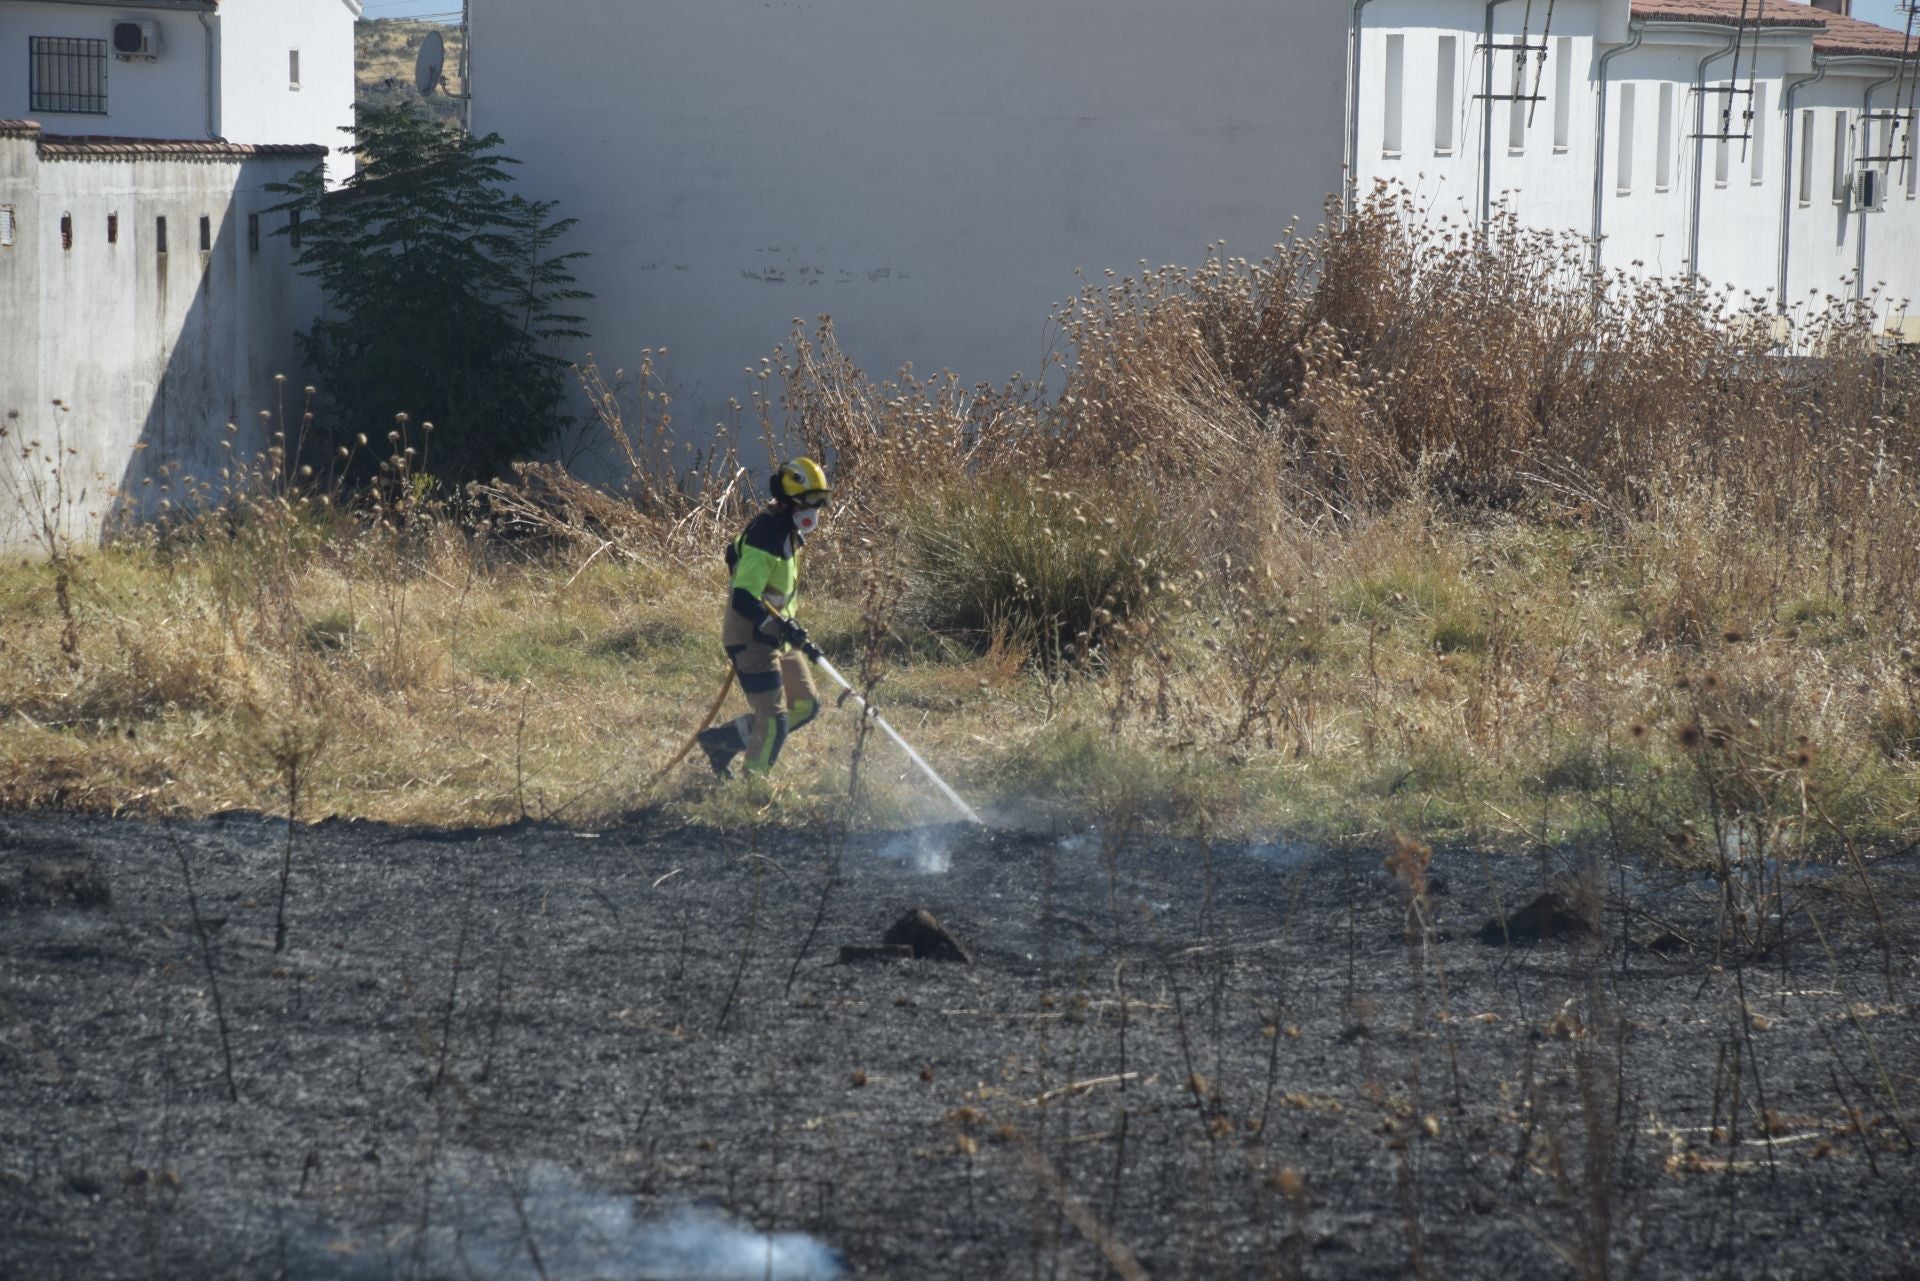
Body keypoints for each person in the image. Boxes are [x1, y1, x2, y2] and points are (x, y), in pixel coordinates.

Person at [696, 458, 831, 778]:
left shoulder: (790, 533)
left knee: (805, 706)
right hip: (751, 638)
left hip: (777, 637)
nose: (817, 509)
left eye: (821, 501)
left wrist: (787, 629)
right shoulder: (766, 534)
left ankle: (723, 742)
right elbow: (744, 597)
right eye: (812, 501)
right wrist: (777, 627)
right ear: (791, 501)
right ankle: (753, 790)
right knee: (773, 720)